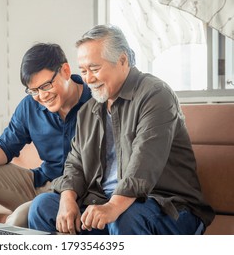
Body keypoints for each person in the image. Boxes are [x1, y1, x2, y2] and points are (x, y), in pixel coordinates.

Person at [28, 25, 215, 235]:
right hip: (107, 204)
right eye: (83, 71)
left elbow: (144, 163)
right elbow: (75, 163)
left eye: (95, 69)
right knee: (43, 207)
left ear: (123, 60)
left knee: (125, 217)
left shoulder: (155, 95)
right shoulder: (88, 110)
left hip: (167, 205)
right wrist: (67, 197)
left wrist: (112, 207)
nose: (88, 78)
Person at [0, 42, 91, 227]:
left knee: (17, 220)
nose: (42, 96)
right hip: (41, 182)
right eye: (33, 90)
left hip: (80, 192)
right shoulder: (30, 106)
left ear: (65, 71)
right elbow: (5, 147)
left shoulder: (97, 101)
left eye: (46, 86)